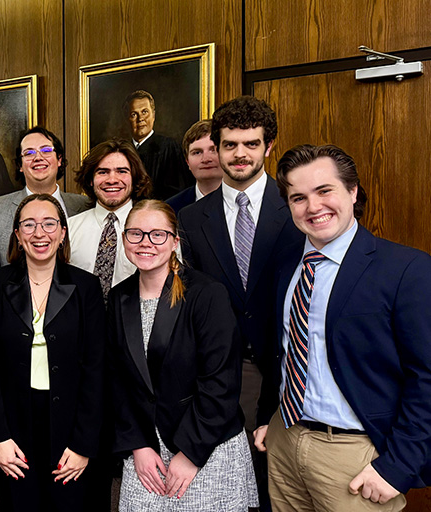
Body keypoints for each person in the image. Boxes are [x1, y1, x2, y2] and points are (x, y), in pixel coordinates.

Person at [253, 144, 431, 511]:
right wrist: (270, 416)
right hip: (285, 442)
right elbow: (284, 350)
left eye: (324, 191)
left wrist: (397, 466)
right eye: (298, 197)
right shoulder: (286, 265)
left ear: (352, 191)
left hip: (356, 455)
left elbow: (427, 377)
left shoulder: (406, 269)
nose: (313, 207)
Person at [177, 95, 303, 510]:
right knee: (233, 479)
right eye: (229, 144)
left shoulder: (299, 206)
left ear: (269, 147)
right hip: (227, 368)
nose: (240, 154)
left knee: (288, 482)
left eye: (251, 144)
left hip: (295, 364)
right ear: (216, 146)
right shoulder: (194, 218)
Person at [107, 199, 257, 511]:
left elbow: (221, 383)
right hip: (146, 449)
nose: (145, 243)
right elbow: (117, 381)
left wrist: (190, 454)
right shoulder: (119, 297)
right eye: (135, 234)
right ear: (124, 239)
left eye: (157, 234)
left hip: (206, 445)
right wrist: (137, 445)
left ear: (175, 241)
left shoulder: (205, 293)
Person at [0, 193, 104, 512]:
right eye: (29, 224)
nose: (39, 233)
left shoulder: (86, 286)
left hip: (72, 425)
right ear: (17, 234)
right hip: (13, 426)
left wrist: (84, 444)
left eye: (49, 224)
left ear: (62, 233)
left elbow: (97, 367)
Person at [0, 126, 89, 274]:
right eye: (29, 153)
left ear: (59, 159)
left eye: (46, 150)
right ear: (20, 166)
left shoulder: (83, 206)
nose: (38, 158)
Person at [69, 138, 152, 299]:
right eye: (102, 172)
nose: (112, 179)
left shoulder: (156, 231)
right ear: (90, 180)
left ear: (134, 178)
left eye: (122, 171)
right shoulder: (69, 228)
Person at [124, 90, 194, 200]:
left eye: (145, 112)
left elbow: (178, 191)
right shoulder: (122, 150)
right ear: (127, 119)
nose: (140, 119)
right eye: (134, 114)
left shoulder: (169, 147)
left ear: (154, 115)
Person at [166, 119, 222, 214]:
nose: (206, 159)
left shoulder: (245, 203)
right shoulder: (170, 209)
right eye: (197, 152)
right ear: (187, 162)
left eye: (213, 150)